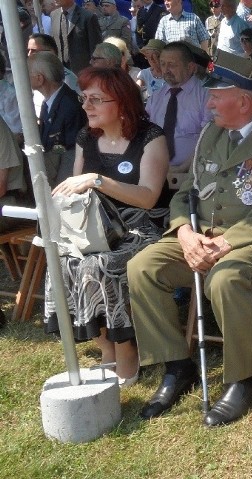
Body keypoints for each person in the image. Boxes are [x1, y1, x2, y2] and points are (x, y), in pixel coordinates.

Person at [128, 51, 252, 426]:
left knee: (223, 279)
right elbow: (188, 193)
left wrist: (225, 244)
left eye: (215, 95)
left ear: (243, 99)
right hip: (203, 233)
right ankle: (178, 367)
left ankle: (246, 380)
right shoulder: (212, 133)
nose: (207, 102)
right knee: (142, 267)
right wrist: (185, 232)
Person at [44, 67, 170, 388]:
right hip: (94, 225)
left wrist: (98, 180)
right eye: (84, 98)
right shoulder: (87, 138)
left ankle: (126, 347)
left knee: (98, 265)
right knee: (61, 260)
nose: (86, 107)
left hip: (142, 227)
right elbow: (77, 192)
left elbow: (148, 197)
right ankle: (104, 344)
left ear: (122, 102)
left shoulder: (150, 138)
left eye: (96, 100)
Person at [145, 41, 212, 173]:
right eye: (163, 64)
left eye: (172, 65)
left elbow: (208, 139)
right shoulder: (156, 98)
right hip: (156, 171)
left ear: (191, 67)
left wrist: (181, 169)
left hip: (193, 173)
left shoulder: (206, 95)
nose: (166, 70)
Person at [30, 51, 87, 185]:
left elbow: (71, 151)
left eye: (27, 74)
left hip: (62, 180)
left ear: (40, 78)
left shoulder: (70, 106)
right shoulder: (50, 101)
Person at [51, 0, 103, 74]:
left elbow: (96, 47)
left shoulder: (88, 17)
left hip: (83, 71)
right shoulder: (54, 15)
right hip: (61, 71)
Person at [134, 0, 167, 65]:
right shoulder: (140, 11)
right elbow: (137, 31)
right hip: (143, 51)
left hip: (155, 50)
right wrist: (141, 46)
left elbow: (161, 32)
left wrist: (153, 48)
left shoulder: (160, 10)